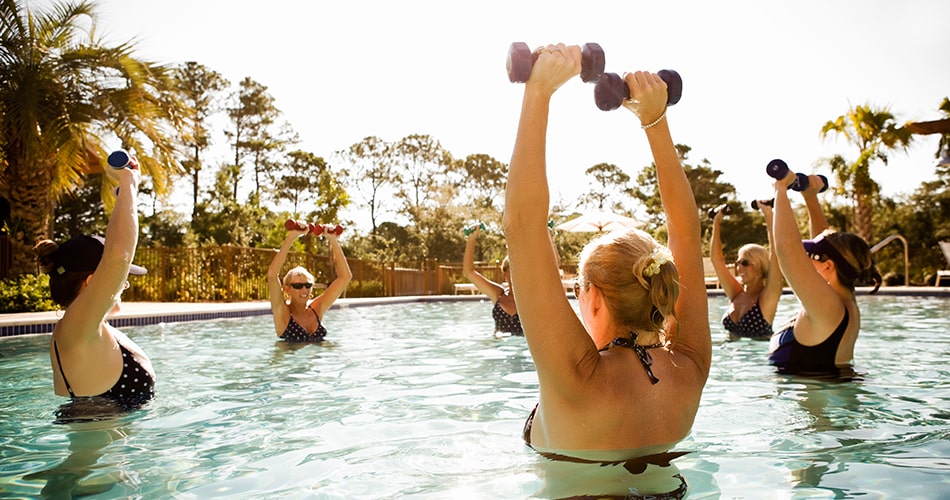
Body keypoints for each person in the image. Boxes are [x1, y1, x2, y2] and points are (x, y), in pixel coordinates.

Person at [503, 43, 711, 464]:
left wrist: (539, 90)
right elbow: (687, 235)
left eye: (577, 290)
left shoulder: (577, 377)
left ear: (593, 296)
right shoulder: (689, 367)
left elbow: (523, 227)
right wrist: (655, 120)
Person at [33, 155, 155, 416]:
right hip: (96, 444)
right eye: (121, 278)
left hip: (105, 440)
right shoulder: (78, 330)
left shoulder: (87, 329)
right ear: (90, 282)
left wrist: (124, 196)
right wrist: (129, 180)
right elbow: (119, 255)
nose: (124, 285)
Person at [768, 172, 881, 377]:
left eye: (810, 255)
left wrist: (781, 189)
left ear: (828, 267)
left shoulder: (829, 309)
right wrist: (810, 196)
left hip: (815, 397)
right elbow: (826, 247)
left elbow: (787, 250)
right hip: (829, 393)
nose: (804, 258)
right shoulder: (841, 303)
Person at [710, 201, 783, 339]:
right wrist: (716, 221)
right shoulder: (736, 294)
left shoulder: (767, 297)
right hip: (732, 352)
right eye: (738, 263)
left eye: (745, 263)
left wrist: (768, 214)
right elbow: (716, 260)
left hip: (758, 352)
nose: (739, 267)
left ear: (760, 266)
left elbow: (776, 255)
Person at [267, 223, 352, 342]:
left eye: (308, 285)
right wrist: (292, 236)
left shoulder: (316, 308)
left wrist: (333, 240)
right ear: (287, 289)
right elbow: (272, 275)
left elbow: (345, 277)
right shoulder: (282, 312)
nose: (304, 290)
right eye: (298, 286)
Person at [461, 223, 523, 335]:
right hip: (499, 345)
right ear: (505, 274)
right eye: (513, 271)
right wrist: (471, 239)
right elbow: (468, 272)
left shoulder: (531, 297)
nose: (517, 276)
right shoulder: (498, 294)